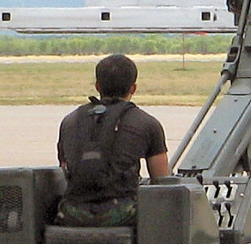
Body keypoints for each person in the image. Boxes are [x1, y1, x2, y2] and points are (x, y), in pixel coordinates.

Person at [56, 54, 170, 227]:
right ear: (133, 88)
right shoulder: (147, 123)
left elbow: (64, 170)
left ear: (97, 86)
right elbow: (162, 183)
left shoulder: (70, 121)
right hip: (122, 215)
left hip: (73, 213)